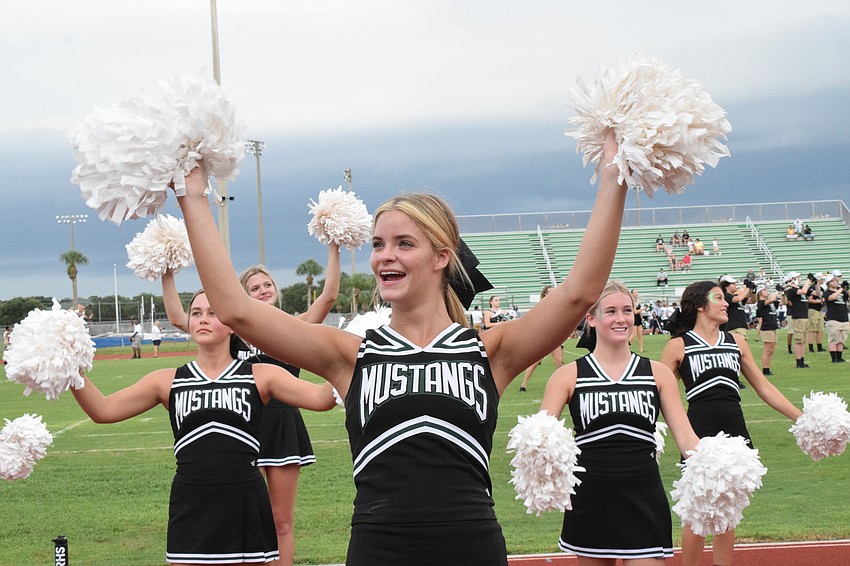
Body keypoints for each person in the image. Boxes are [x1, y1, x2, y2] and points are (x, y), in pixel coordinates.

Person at [174, 130, 628, 566]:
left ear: (441, 256)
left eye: (403, 244)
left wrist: (614, 175)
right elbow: (237, 309)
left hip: (472, 548)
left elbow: (578, 292)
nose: (383, 256)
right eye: (377, 245)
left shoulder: (491, 352)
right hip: (379, 550)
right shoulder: (349, 355)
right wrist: (192, 197)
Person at [70, 290, 337, 565]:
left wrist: (350, 358)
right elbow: (102, 410)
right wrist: (68, 366)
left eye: (213, 313)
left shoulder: (260, 374)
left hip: (245, 502)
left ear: (233, 324)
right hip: (192, 503)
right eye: (196, 313)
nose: (203, 319)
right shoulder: (166, 381)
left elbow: (321, 398)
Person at [162, 243, 341, 566]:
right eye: (253, 288)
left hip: (283, 425)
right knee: (247, 512)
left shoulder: (293, 328)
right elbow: (179, 317)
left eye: (267, 285)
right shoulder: (232, 331)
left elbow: (327, 297)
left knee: (281, 519)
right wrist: (166, 272)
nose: (262, 291)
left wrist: (334, 245)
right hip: (243, 427)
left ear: (276, 289)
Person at [541, 281, 700, 563]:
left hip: (644, 497)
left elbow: (687, 440)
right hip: (591, 499)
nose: (621, 318)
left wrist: (720, 467)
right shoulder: (568, 376)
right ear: (591, 318)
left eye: (627, 310)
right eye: (611, 311)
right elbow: (540, 439)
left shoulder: (658, 373)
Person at [660, 280, 802, 566]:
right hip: (697, 433)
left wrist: (800, 417)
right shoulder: (678, 346)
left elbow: (764, 387)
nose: (726, 303)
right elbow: (661, 394)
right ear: (701, 305)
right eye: (719, 298)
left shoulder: (736, 342)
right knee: (696, 512)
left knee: (727, 511)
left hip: (735, 432)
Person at [519, 286, 564, 392]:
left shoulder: (558, 305)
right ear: (545, 295)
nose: (555, 293)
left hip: (554, 337)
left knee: (559, 362)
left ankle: (565, 383)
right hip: (542, 337)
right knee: (534, 361)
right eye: (551, 292)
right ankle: (523, 384)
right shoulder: (541, 305)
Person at [784, 272, 811, 368]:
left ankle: (802, 360)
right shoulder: (791, 290)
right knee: (799, 340)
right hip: (798, 316)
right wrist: (808, 280)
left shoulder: (797, 289)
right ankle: (798, 361)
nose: (799, 278)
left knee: (803, 340)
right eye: (797, 277)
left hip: (804, 315)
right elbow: (804, 291)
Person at [755, 285, 781, 375]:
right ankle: (765, 369)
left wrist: (784, 294)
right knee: (768, 350)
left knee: (771, 350)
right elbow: (771, 300)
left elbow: (782, 302)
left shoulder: (770, 303)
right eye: (764, 290)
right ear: (760, 293)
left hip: (773, 326)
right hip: (767, 327)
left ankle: (767, 368)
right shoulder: (761, 302)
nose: (767, 291)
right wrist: (777, 291)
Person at [824, 274, 849, 363]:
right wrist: (841, 288)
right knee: (834, 339)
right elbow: (832, 298)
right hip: (834, 318)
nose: (835, 282)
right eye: (832, 281)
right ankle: (834, 358)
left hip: (844, 318)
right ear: (828, 283)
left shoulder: (841, 292)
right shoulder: (827, 292)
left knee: (841, 339)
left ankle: (839, 357)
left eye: (836, 280)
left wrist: (846, 288)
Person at [719, 275, 752, 339]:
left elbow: (752, 301)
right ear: (726, 286)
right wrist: (747, 288)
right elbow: (738, 299)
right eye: (733, 284)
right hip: (733, 327)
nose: (735, 285)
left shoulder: (735, 296)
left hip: (740, 326)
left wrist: (752, 291)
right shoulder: (725, 296)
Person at [807, 273, 825, 354]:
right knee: (812, 329)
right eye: (821, 278)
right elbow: (810, 300)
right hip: (813, 310)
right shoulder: (812, 288)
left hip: (819, 310)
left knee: (820, 329)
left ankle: (819, 347)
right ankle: (811, 347)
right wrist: (820, 301)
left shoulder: (822, 288)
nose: (823, 280)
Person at [629, 288, 644, 353]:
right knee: (634, 335)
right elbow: (635, 312)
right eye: (635, 293)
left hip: (638, 319)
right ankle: (627, 345)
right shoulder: (632, 301)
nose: (636, 294)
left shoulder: (638, 301)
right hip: (634, 318)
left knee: (640, 335)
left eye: (637, 292)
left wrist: (641, 317)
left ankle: (641, 349)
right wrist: (643, 309)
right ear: (632, 294)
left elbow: (639, 311)